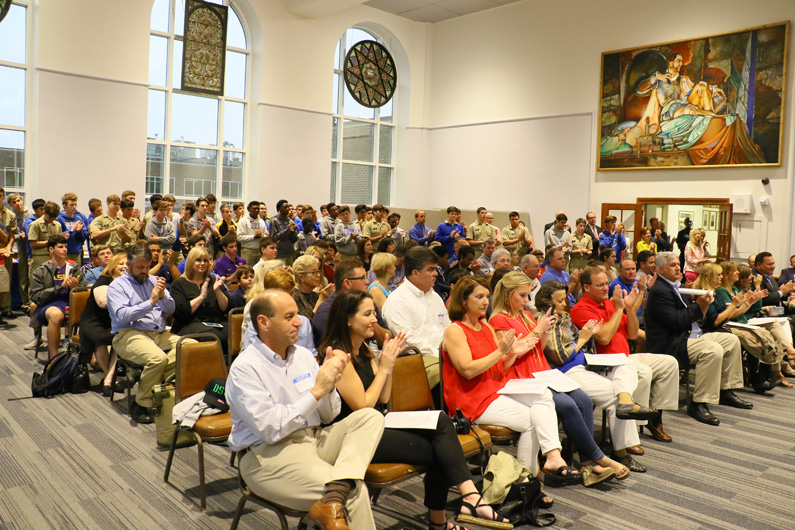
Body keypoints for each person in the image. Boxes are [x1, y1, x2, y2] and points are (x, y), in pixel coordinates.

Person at [321, 290, 509, 530]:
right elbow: (363, 407)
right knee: (441, 449)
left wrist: (387, 366)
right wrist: (384, 367)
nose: (374, 320)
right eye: (367, 314)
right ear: (348, 319)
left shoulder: (364, 349)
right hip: (356, 437)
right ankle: (447, 517)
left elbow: (384, 397)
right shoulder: (339, 356)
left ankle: (468, 498)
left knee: (441, 421)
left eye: (374, 313)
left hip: (378, 423)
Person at [226, 290, 385, 530]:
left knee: (369, 417)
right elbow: (271, 430)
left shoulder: (302, 356)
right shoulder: (245, 368)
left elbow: (328, 416)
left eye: (297, 315)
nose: (299, 322)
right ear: (264, 322)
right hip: (268, 455)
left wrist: (329, 387)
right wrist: (317, 392)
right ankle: (337, 494)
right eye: (289, 317)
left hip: (313, 439)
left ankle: (335, 492)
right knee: (354, 493)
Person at [490, 272, 631, 480]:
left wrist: (544, 331)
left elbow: (539, 348)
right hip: (522, 376)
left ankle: (587, 462)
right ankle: (598, 458)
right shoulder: (499, 319)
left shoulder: (525, 315)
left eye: (528, 295)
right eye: (522, 295)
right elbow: (513, 352)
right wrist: (538, 330)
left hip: (542, 370)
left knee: (583, 399)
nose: (527, 300)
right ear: (507, 294)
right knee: (567, 405)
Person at [442, 275, 577, 482]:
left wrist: (512, 353)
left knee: (543, 397)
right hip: (472, 402)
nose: (485, 302)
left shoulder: (485, 326)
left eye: (486, 296)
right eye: (479, 297)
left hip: (495, 390)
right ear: (463, 300)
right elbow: (467, 371)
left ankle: (550, 458)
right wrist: (501, 352)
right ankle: (526, 481)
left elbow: (499, 367)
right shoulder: (455, 330)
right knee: (534, 421)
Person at [571, 267, 680, 445]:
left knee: (669, 362)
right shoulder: (580, 309)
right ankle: (634, 426)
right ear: (587, 288)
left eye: (607, 283)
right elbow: (604, 338)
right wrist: (618, 309)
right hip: (606, 363)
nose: (606, 288)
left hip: (626, 357)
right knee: (643, 372)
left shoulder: (610, 303)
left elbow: (632, 334)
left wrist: (629, 309)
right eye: (600, 285)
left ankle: (655, 416)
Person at [645, 251, 749, 426]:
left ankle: (725, 389)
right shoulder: (659, 291)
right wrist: (699, 306)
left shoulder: (678, 287)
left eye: (678, 264)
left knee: (731, 340)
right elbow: (675, 322)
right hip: (673, 341)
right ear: (661, 269)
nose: (678, 268)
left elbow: (694, 316)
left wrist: (703, 307)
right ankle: (699, 402)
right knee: (712, 350)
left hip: (693, 334)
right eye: (673, 265)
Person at [107, 242, 187, 424]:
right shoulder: (117, 286)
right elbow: (122, 316)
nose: (145, 271)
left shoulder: (153, 280)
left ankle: (151, 380)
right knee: (158, 359)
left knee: (191, 348)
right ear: (128, 264)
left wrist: (163, 296)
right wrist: (151, 302)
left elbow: (171, 309)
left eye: (148, 267)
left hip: (158, 333)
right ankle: (141, 403)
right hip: (128, 333)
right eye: (140, 267)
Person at [696, 262, 783, 391]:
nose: (721, 277)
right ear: (710, 277)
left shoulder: (718, 292)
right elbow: (718, 320)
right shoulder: (714, 292)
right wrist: (741, 304)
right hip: (718, 328)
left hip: (730, 324)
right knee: (753, 340)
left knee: (763, 334)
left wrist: (747, 302)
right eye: (718, 275)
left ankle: (766, 376)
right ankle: (757, 380)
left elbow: (739, 312)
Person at [383, 247, 449, 389]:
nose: (436, 274)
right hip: (418, 359)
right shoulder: (397, 301)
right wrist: (441, 354)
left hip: (443, 354)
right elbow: (408, 341)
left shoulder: (434, 297)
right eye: (431, 269)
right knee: (453, 372)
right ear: (415, 273)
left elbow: (448, 328)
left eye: (436, 269)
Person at [29, 235, 85, 359]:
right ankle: (54, 358)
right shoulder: (40, 271)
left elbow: (83, 291)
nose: (64, 250)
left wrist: (74, 289)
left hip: (71, 304)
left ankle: (89, 356)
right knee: (55, 315)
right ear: (51, 249)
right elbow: (36, 296)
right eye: (60, 247)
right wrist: (61, 286)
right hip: (49, 305)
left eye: (65, 247)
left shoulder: (74, 269)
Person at [79, 254, 127, 396]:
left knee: (120, 335)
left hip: (113, 322)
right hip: (93, 321)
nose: (124, 267)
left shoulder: (129, 282)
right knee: (98, 339)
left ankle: (108, 379)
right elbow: (102, 302)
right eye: (121, 264)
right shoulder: (104, 280)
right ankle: (110, 377)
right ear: (112, 266)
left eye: (127, 264)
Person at [170, 247, 230, 353]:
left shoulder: (214, 280)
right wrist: (201, 297)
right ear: (191, 262)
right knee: (214, 337)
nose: (202, 263)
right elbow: (180, 313)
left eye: (205, 260)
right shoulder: (179, 284)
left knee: (233, 333)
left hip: (216, 322)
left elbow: (225, 308)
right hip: (190, 324)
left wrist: (217, 291)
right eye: (198, 260)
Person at [292, 254, 334, 320]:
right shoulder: (293, 296)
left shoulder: (314, 295)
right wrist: (320, 302)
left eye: (318, 271)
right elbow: (305, 324)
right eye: (313, 272)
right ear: (301, 277)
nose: (318, 275)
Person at [28, 201, 65, 274]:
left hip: (55, 258)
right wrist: (49, 242)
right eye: (50, 217)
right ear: (44, 213)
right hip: (40, 257)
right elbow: (33, 244)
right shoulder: (35, 224)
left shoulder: (57, 225)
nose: (52, 219)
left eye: (54, 218)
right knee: (38, 279)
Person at [56, 192, 89, 264]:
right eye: (71, 205)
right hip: (64, 252)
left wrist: (79, 231)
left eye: (75, 205)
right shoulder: (59, 218)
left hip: (77, 252)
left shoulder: (79, 218)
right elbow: (58, 237)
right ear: (64, 206)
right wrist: (71, 230)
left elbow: (84, 237)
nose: (74, 207)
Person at [269, 199, 298, 265]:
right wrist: (285, 231)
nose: (287, 209)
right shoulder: (274, 221)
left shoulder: (290, 221)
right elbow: (273, 238)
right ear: (279, 209)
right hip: (279, 254)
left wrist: (292, 232)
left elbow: (294, 240)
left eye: (288, 207)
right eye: (285, 207)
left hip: (290, 253)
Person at [236, 201, 265, 266]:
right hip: (247, 250)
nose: (256, 210)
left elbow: (266, 234)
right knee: (247, 270)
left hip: (259, 250)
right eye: (254, 208)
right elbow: (239, 237)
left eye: (258, 208)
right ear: (249, 209)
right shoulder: (243, 221)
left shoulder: (261, 221)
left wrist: (262, 236)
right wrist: (254, 237)